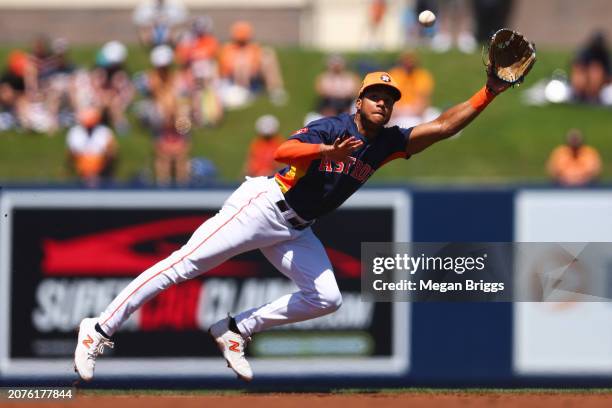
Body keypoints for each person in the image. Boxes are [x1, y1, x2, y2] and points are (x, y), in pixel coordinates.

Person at [74, 66, 512, 382]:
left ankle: (234, 329)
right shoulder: (331, 127)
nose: (383, 101)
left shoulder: (389, 144)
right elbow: (282, 152)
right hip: (263, 206)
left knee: (326, 298)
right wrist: (325, 154)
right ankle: (98, 329)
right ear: (358, 100)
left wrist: (487, 93)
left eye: (390, 98)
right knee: (180, 265)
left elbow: (441, 126)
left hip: (296, 228)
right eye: (376, 94)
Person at [218, 21, 286, 106]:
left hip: (254, 78)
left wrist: (253, 66)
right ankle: (242, 92)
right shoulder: (228, 48)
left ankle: (275, 90)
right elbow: (227, 69)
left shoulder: (253, 47)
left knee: (268, 55)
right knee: (241, 60)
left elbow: (257, 63)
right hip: (233, 81)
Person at [66, 107, 118, 186]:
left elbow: (112, 152)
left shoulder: (105, 131)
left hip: (101, 164)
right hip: (82, 163)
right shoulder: (75, 132)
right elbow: (71, 152)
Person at [388, 52, 438, 128]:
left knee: (435, 115)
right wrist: (400, 111)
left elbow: (424, 100)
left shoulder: (423, 75)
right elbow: (389, 99)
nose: (409, 63)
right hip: (398, 112)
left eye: (411, 60)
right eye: (407, 60)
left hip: (416, 112)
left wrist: (414, 111)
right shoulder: (393, 75)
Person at [570, 31, 611, 104]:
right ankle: (579, 94)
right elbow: (577, 67)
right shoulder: (584, 53)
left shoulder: (604, 55)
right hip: (584, 78)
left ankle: (593, 96)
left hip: (600, 83)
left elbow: (608, 73)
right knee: (584, 73)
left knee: (595, 71)